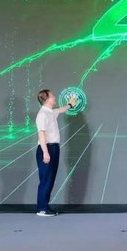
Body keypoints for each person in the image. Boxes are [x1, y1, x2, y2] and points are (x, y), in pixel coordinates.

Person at [35, 89, 77, 217]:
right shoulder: (42, 114)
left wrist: (70, 105)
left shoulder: (50, 112)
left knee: (50, 179)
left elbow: (61, 110)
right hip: (46, 149)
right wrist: (45, 153)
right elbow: (41, 134)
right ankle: (42, 209)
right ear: (47, 99)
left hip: (54, 148)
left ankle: (45, 206)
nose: (54, 97)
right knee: (46, 180)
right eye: (52, 96)